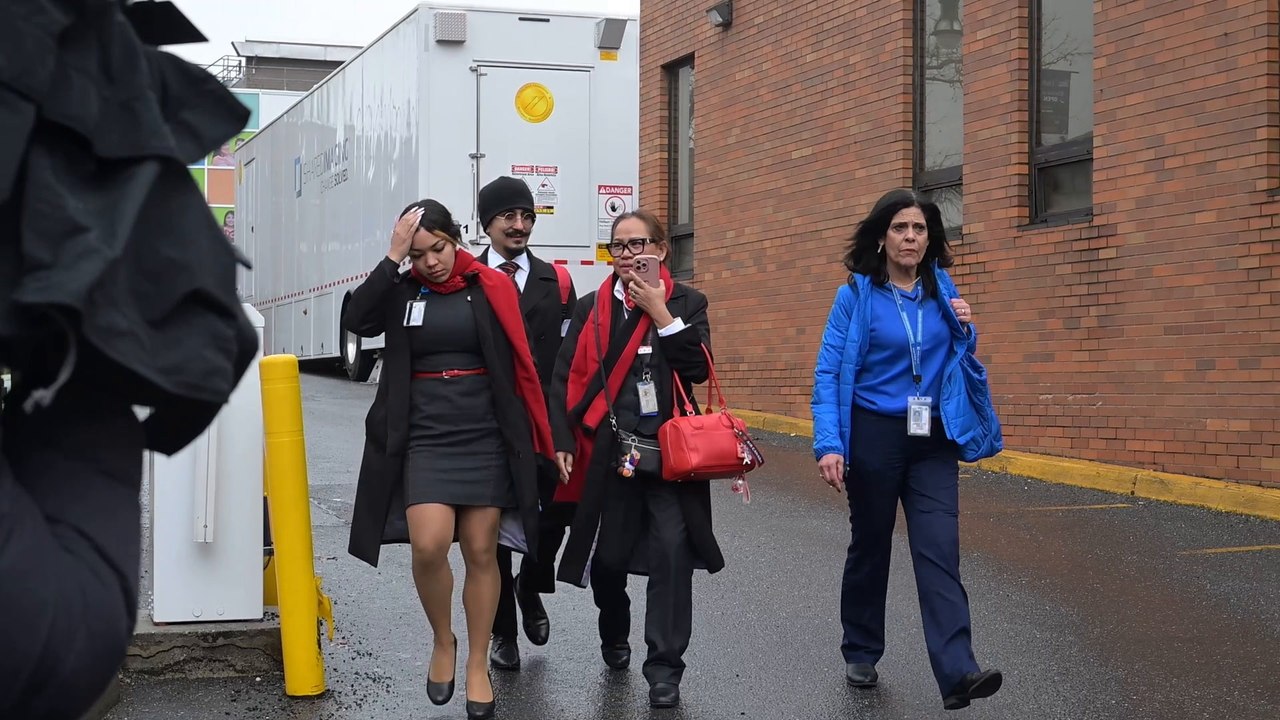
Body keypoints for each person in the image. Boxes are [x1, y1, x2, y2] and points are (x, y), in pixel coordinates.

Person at [342, 200, 554, 720]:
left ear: (455, 238)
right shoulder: (401, 288)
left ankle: (478, 664)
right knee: (429, 543)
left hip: (484, 433)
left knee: (482, 549)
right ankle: (444, 641)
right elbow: (357, 320)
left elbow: (524, 369)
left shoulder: (489, 285)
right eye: (418, 254)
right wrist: (393, 259)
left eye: (437, 248)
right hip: (424, 433)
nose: (431, 261)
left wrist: (547, 440)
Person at [811, 189, 1004, 711]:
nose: (911, 238)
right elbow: (829, 372)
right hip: (874, 433)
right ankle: (861, 647)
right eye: (900, 228)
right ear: (882, 236)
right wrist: (829, 443)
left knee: (939, 548)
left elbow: (956, 355)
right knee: (871, 544)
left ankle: (959, 671)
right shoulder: (855, 295)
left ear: (930, 239)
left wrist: (967, 325)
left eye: (919, 229)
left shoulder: (942, 288)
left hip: (932, 436)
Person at [549, 210, 723, 710]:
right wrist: (563, 439)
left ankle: (665, 667)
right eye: (618, 247)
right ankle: (614, 627)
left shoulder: (689, 301)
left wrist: (662, 314)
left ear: (662, 250)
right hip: (611, 453)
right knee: (608, 560)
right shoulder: (592, 307)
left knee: (673, 551)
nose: (627, 255)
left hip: (671, 456)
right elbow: (565, 377)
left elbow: (697, 367)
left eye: (638, 244)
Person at [474, 177, 579, 671]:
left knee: (549, 518)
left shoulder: (556, 281)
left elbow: (566, 365)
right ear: (487, 223)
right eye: (508, 217)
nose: (519, 225)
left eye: (527, 216)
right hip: (487, 429)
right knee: (491, 532)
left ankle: (531, 585)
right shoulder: (467, 277)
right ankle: (503, 633)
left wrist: (562, 431)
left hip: (544, 425)